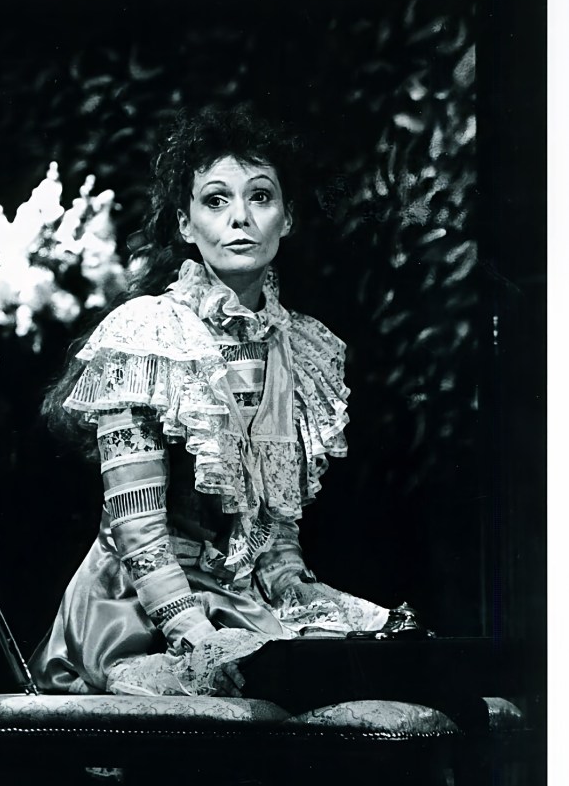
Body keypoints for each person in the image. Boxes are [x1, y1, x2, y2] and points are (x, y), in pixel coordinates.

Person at [30, 104, 426, 699]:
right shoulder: (148, 336)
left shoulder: (300, 347)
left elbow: (275, 537)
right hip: (137, 608)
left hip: (241, 599)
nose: (240, 217)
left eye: (260, 197)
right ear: (186, 225)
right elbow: (138, 529)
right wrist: (198, 636)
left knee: (387, 661)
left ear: (287, 218)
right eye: (215, 201)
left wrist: (307, 603)